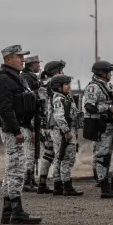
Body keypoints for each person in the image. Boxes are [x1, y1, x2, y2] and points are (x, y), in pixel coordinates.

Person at [0, 45, 41, 224]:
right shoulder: (3, 79)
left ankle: (8, 210)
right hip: (14, 130)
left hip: (19, 127)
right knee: (17, 170)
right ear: (8, 59)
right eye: (19, 57)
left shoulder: (15, 78)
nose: (23, 60)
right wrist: (16, 130)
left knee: (12, 169)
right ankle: (17, 211)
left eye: (23, 57)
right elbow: (4, 108)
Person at [83, 60, 113, 198]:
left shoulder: (108, 86)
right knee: (103, 156)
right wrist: (108, 107)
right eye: (109, 72)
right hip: (102, 126)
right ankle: (104, 187)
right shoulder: (93, 87)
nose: (110, 74)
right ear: (102, 73)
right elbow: (89, 107)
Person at [49, 74, 83, 196]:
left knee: (61, 157)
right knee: (66, 158)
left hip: (65, 130)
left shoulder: (66, 98)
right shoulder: (59, 99)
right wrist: (66, 131)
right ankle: (67, 186)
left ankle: (58, 185)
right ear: (58, 87)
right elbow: (59, 116)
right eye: (66, 84)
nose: (69, 86)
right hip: (62, 131)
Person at [36, 60, 66, 194]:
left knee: (48, 153)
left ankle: (42, 182)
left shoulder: (42, 85)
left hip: (44, 124)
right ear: (55, 72)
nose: (63, 72)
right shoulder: (53, 85)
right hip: (53, 124)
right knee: (59, 152)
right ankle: (58, 183)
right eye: (61, 70)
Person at [20, 55, 42, 192]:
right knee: (29, 149)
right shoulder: (27, 78)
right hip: (29, 118)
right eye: (36, 63)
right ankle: (27, 180)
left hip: (32, 117)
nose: (39, 66)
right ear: (30, 65)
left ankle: (30, 179)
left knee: (33, 150)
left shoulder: (30, 77)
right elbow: (29, 98)